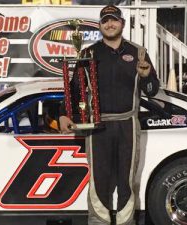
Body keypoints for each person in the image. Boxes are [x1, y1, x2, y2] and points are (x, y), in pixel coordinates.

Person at [59, 4, 159, 225]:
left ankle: (126, 222)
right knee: (99, 180)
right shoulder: (88, 53)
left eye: (114, 19)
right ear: (100, 25)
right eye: (105, 21)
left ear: (122, 23)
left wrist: (146, 76)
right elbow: (75, 88)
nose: (110, 24)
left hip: (128, 124)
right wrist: (65, 114)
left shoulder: (138, 52)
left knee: (127, 180)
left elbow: (152, 91)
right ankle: (98, 221)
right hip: (97, 126)